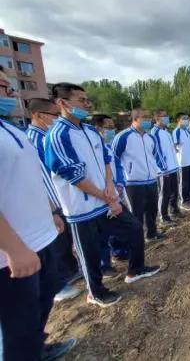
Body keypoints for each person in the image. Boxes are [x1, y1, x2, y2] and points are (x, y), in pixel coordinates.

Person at [45, 83, 161, 308]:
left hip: (106, 200)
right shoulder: (58, 135)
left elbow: (107, 160)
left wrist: (110, 186)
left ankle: (135, 269)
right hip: (82, 209)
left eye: (86, 100)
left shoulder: (90, 131)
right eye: (81, 100)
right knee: (89, 253)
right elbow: (73, 176)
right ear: (62, 103)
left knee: (135, 228)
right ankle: (95, 292)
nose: (87, 104)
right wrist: (107, 197)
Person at [1, 91, 77, 361]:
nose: (10, 94)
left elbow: (33, 178)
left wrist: (52, 210)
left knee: (42, 302)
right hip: (13, 253)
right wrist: (12, 248)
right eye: (3, 86)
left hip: (40, 236)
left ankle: (36, 349)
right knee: (17, 323)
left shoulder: (11, 130)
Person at [27, 98, 82, 302]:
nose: (57, 118)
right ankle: (58, 285)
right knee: (53, 244)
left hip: (58, 199)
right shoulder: (32, 139)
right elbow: (38, 176)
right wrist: (50, 207)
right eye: (53, 114)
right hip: (46, 202)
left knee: (64, 240)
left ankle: (70, 272)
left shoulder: (47, 135)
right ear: (39, 115)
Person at [113, 109, 167, 241]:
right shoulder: (123, 137)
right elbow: (114, 158)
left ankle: (152, 233)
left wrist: (159, 170)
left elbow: (154, 156)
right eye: (145, 117)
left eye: (149, 117)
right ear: (135, 119)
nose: (148, 120)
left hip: (151, 180)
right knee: (136, 213)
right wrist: (119, 180)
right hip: (133, 183)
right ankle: (136, 239)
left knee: (152, 209)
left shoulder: (150, 137)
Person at [91, 114, 130, 270]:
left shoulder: (108, 147)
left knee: (117, 225)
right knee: (103, 232)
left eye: (112, 127)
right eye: (108, 127)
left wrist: (120, 183)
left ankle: (119, 251)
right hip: (102, 196)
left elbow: (118, 166)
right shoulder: (93, 150)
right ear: (97, 128)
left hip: (116, 193)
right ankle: (104, 264)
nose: (112, 130)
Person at [150, 110, 181, 226]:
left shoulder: (166, 132)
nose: (167, 117)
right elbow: (157, 152)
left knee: (174, 191)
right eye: (165, 116)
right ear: (158, 117)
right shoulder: (155, 132)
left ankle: (174, 210)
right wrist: (163, 168)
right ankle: (164, 216)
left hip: (173, 167)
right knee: (165, 193)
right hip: (164, 170)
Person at [172, 112, 190, 211]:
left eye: (187, 118)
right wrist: (178, 155)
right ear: (178, 120)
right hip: (182, 162)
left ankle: (188, 199)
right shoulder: (177, 131)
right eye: (184, 118)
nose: (186, 120)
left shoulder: (187, 131)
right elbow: (175, 145)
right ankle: (183, 201)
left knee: (189, 181)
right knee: (183, 182)